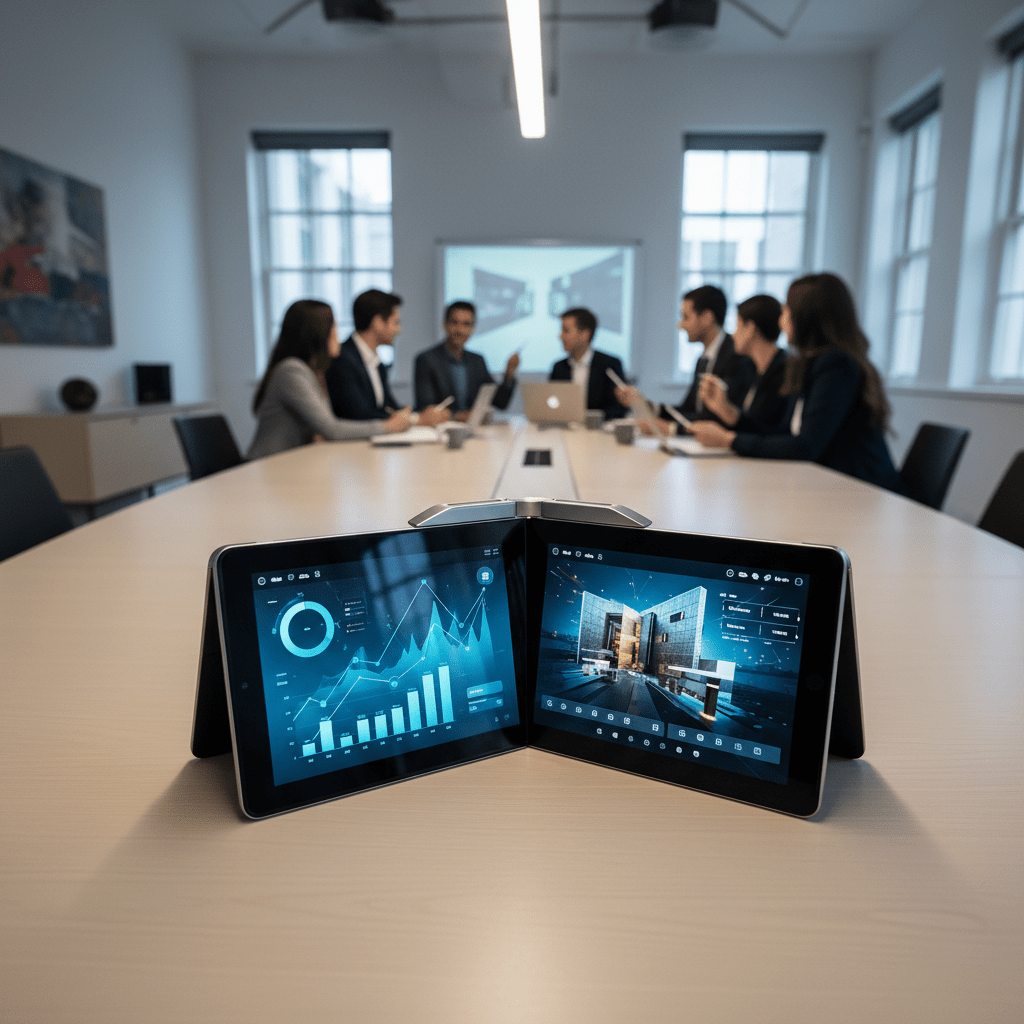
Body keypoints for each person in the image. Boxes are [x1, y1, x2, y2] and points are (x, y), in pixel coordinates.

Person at [689, 273, 904, 493]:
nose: (781, 321)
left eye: (786, 311)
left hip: (863, 492)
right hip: (832, 486)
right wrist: (733, 418)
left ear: (805, 317)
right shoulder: (808, 365)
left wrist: (729, 440)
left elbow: (806, 446)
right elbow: (783, 433)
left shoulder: (837, 365)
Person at [246, 299, 410, 461]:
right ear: (319, 333)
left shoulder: (314, 372)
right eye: (334, 328)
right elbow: (332, 429)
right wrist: (387, 426)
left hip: (293, 461)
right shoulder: (291, 371)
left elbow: (325, 429)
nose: (338, 336)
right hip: (266, 465)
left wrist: (324, 432)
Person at [324, 289, 450, 427]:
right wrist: (415, 419)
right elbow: (358, 414)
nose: (399, 329)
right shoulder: (342, 359)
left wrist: (420, 415)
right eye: (396, 322)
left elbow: (389, 408)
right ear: (378, 322)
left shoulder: (376, 362)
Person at [697, 293, 789, 435]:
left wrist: (728, 412)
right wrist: (723, 409)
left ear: (750, 328)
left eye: (737, 326)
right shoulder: (749, 368)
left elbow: (770, 432)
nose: (733, 335)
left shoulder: (786, 371)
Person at [413, 301, 518, 420]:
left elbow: (500, 402)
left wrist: (509, 375)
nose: (460, 330)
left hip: (472, 429)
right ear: (444, 325)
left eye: (466, 324)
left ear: (472, 328)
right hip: (441, 428)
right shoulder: (426, 360)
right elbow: (426, 407)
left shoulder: (477, 361)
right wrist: (458, 416)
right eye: (454, 323)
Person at [549, 307, 627, 420]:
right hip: (565, 428)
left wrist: (591, 419)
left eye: (566, 331)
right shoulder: (559, 367)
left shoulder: (610, 364)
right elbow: (552, 404)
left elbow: (620, 407)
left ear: (585, 334)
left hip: (599, 429)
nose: (560, 336)